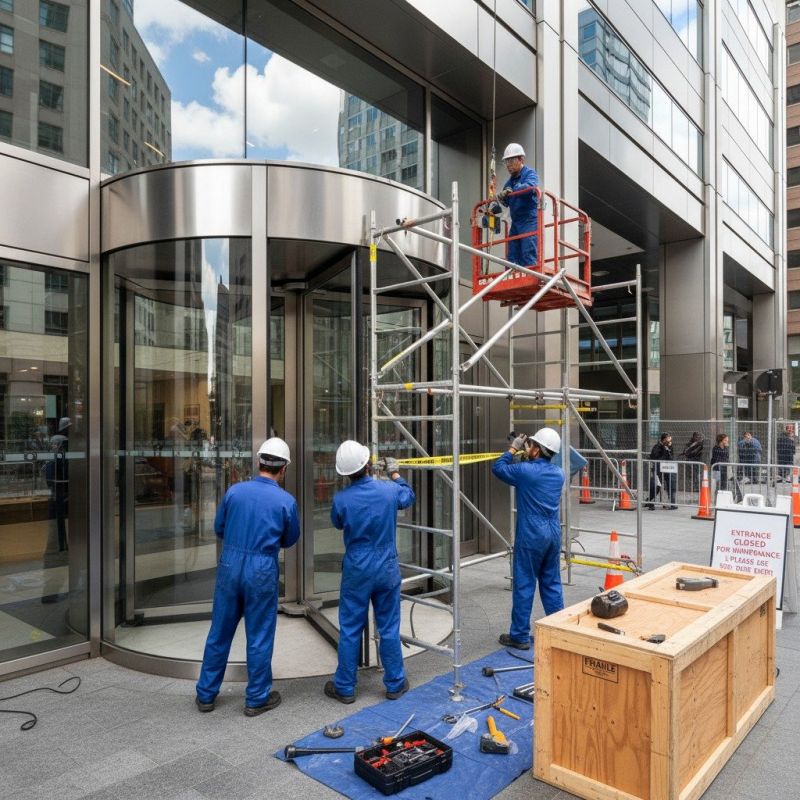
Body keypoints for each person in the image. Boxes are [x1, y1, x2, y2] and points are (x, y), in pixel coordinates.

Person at [195, 437, 300, 716]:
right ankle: (256, 698)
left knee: (219, 632)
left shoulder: (234, 492)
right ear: (284, 468)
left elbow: (219, 527)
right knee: (260, 635)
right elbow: (290, 539)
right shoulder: (286, 501)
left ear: (259, 462)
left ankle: (206, 694)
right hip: (262, 570)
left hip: (230, 565)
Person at [324, 441, 415, 704]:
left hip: (357, 567)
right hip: (386, 564)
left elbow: (337, 522)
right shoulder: (388, 490)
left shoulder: (341, 499)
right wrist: (396, 474)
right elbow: (408, 497)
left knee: (351, 627)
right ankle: (395, 683)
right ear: (367, 465)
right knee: (388, 625)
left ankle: (345, 687)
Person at [492, 428, 564, 650]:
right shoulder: (558, 473)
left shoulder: (526, 471)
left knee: (524, 583)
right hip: (553, 533)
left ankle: (520, 635)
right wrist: (526, 454)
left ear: (537, 449)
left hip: (532, 534)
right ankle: (560, 631)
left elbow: (499, 468)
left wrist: (513, 449)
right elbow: (534, 471)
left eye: (531, 444)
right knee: (551, 582)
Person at [497, 142, 540, 268]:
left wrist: (514, 190)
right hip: (515, 223)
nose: (508, 165)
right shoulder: (509, 182)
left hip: (529, 221)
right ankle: (512, 278)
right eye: (506, 162)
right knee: (512, 256)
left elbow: (530, 187)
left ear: (521, 159)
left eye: (511, 161)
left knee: (527, 253)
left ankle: (530, 277)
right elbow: (506, 202)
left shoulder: (530, 174)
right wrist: (502, 197)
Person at [646, 433, 677, 510]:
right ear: (663, 440)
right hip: (658, 468)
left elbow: (671, 458)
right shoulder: (657, 447)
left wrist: (668, 449)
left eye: (670, 439)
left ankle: (672, 503)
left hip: (667, 467)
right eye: (667, 439)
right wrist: (663, 449)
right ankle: (650, 502)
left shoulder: (669, 447)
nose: (669, 441)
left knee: (670, 484)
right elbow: (655, 457)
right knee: (656, 485)